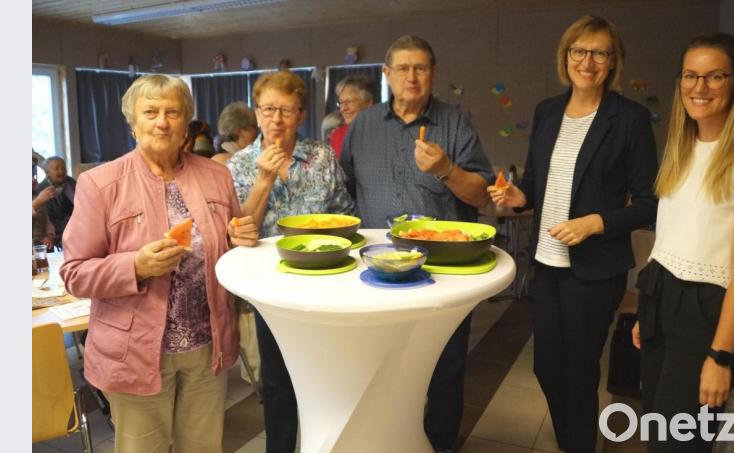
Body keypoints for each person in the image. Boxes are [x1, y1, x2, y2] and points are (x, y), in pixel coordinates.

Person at [59, 74, 259, 453]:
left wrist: (242, 241)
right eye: (150, 112)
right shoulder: (101, 184)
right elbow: (74, 273)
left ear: (187, 121)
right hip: (134, 351)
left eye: (173, 112)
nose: (162, 122)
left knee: (202, 448)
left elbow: (230, 251)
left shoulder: (217, 176)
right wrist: (135, 266)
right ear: (132, 121)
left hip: (207, 346)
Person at [488, 16, 658, 453]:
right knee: (547, 367)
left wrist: (597, 222)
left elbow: (650, 202)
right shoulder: (548, 112)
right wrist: (514, 195)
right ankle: (572, 440)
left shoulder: (629, 119)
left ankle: (578, 444)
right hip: (547, 263)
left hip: (596, 269)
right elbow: (537, 188)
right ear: (565, 57)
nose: (588, 61)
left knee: (580, 373)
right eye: (579, 51)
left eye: (600, 52)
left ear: (613, 61)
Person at [340, 35, 493, 453]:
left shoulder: (455, 122)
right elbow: (348, 191)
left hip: (441, 273)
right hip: (377, 273)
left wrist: (446, 169)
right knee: (380, 366)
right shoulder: (363, 125)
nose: (412, 76)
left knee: (444, 367)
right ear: (386, 75)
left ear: (433, 74)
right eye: (403, 68)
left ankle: (440, 445)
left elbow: (481, 195)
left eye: (421, 67)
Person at [631, 33, 734, 452]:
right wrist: (647, 312)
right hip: (661, 294)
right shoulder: (682, 145)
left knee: (683, 439)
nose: (700, 87)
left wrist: (721, 357)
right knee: (656, 426)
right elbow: (670, 235)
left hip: (708, 311)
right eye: (690, 76)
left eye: (714, 76)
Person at [227, 70, 354, 453]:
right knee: (277, 381)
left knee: (328, 377)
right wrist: (264, 178)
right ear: (256, 112)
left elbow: (346, 214)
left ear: (300, 114)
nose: (276, 120)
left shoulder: (321, 156)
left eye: (286, 110)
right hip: (272, 291)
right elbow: (239, 229)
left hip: (326, 284)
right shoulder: (239, 165)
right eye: (268, 109)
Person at [329, 73, 376, 158]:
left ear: (368, 103)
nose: (343, 109)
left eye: (349, 102)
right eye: (341, 103)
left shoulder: (383, 132)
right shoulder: (337, 135)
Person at [36, 156, 76, 248]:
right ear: (47, 172)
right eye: (56, 169)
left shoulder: (71, 182)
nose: (61, 171)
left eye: (63, 168)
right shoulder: (41, 190)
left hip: (77, 222)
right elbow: (50, 220)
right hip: (59, 230)